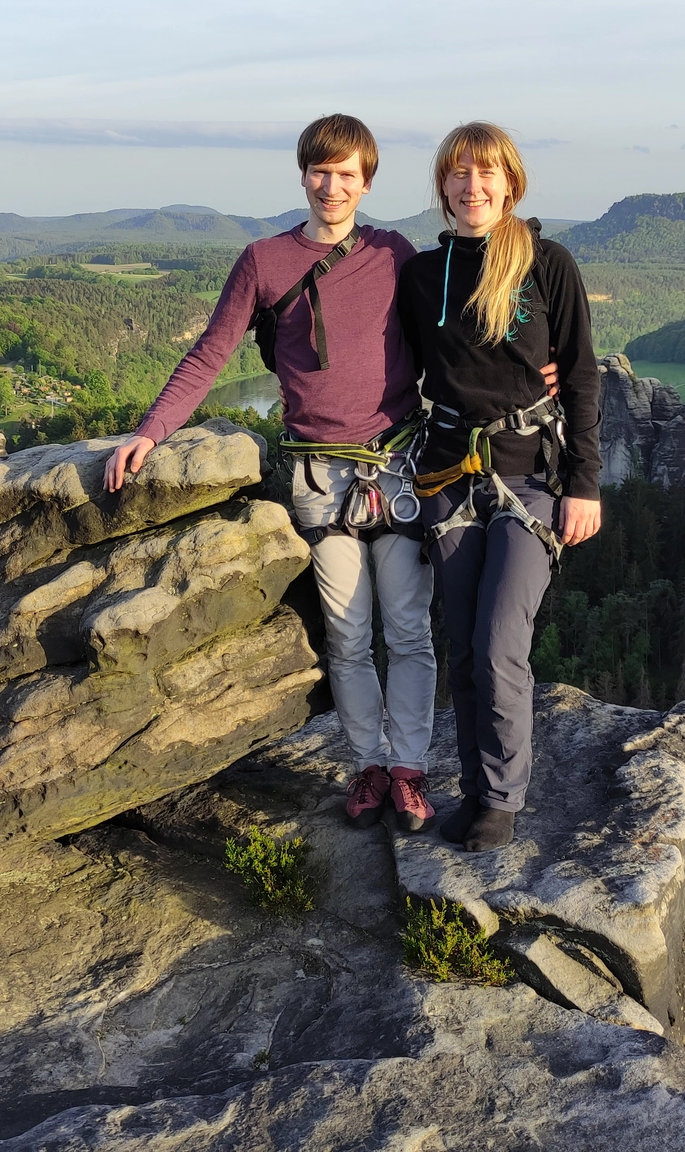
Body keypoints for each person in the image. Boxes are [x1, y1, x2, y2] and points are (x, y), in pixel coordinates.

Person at [102, 114, 441, 832]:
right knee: (348, 634)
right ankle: (369, 766)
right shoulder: (264, 260)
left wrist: (539, 372)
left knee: (408, 629)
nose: (331, 186)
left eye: (346, 174)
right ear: (303, 174)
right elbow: (210, 352)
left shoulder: (393, 253)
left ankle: (409, 769)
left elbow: (449, 340)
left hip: (396, 466)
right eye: (321, 171)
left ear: (366, 183)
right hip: (320, 475)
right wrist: (150, 431)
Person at [401, 121, 603, 852]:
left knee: (497, 644)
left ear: (510, 183)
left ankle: (502, 798)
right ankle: (474, 789)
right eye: (459, 172)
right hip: (448, 475)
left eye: (486, 173)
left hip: (532, 476)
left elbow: (579, 375)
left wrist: (585, 484)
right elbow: (389, 366)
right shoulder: (423, 276)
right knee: (462, 648)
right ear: (443, 185)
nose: (472, 186)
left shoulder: (547, 263)